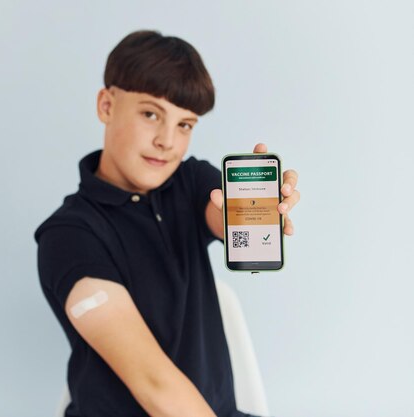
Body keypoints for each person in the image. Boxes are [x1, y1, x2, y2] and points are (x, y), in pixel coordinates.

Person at [34, 29, 300, 417]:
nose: (167, 141)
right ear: (106, 105)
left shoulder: (190, 182)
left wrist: (253, 211)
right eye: (150, 114)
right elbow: (155, 386)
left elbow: (220, 212)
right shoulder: (68, 236)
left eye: (185, 125)